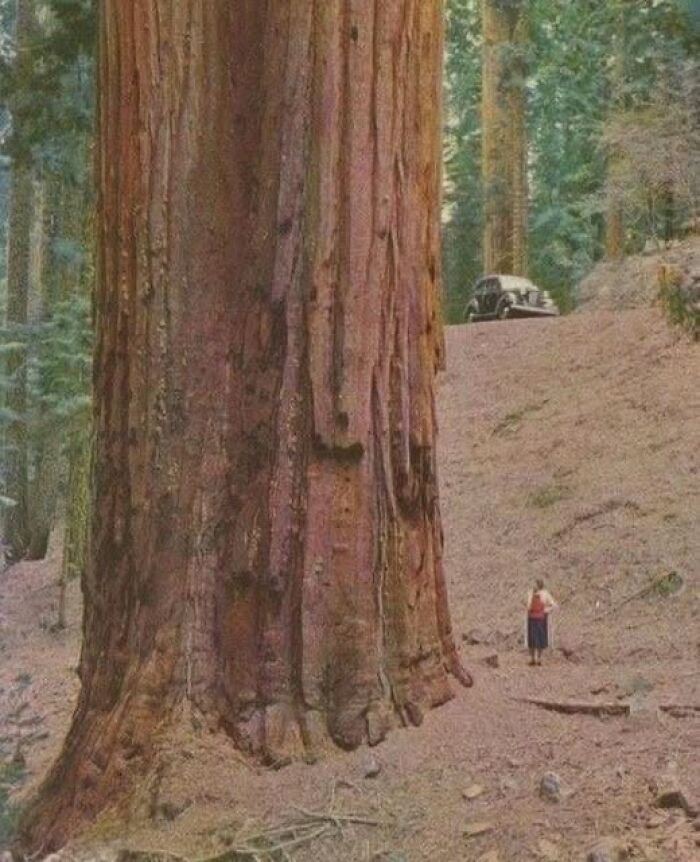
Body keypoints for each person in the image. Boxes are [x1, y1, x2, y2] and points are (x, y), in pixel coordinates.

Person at [526, 579, 556, 666]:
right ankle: (532, 658)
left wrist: (545, 610)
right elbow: (528, 605)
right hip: (531, 618)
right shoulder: (530, 593)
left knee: (540, 639)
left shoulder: (545, 594)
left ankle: (539, 659)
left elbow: (553, 605)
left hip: (540, 619)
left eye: (535, 584)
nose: (533, 586)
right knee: (531, 639)